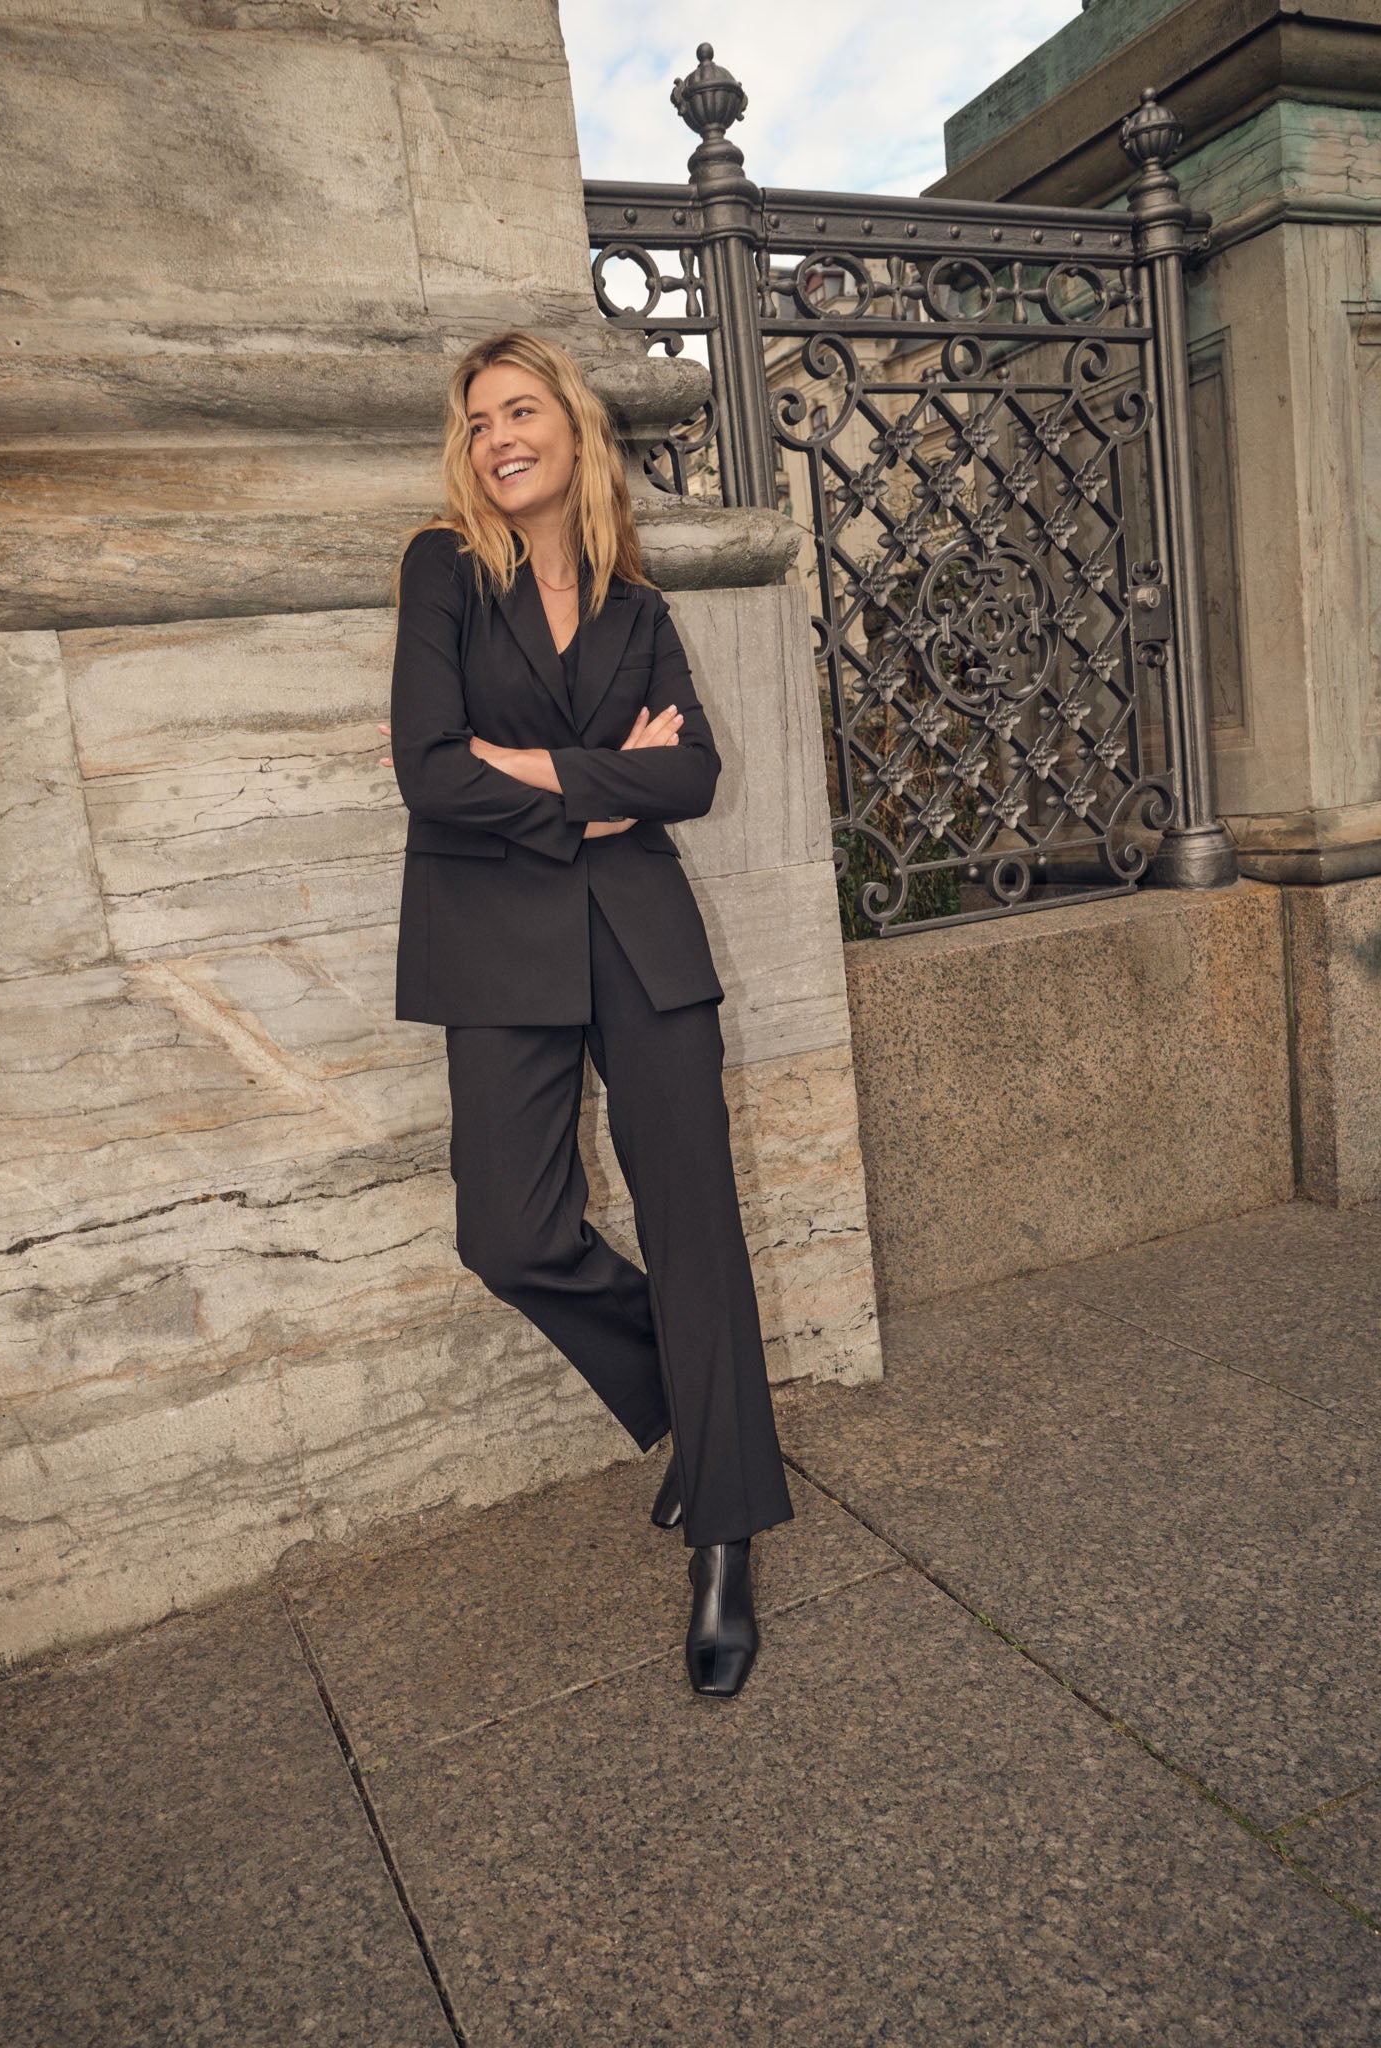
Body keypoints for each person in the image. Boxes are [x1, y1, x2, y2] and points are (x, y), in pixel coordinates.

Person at [379, 329, 794, 1699]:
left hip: (641, 938)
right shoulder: (443, 570)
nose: (499, 437)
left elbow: (697, 777)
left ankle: (725, 1533)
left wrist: (533, 767)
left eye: (521, 410)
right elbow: (430, 772)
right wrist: (600, 784)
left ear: (574, 427)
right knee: (509, 1232)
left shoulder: (634, 602)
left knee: (694, 1217)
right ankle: (701, 1406)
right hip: (497, 942)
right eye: (479, 420)